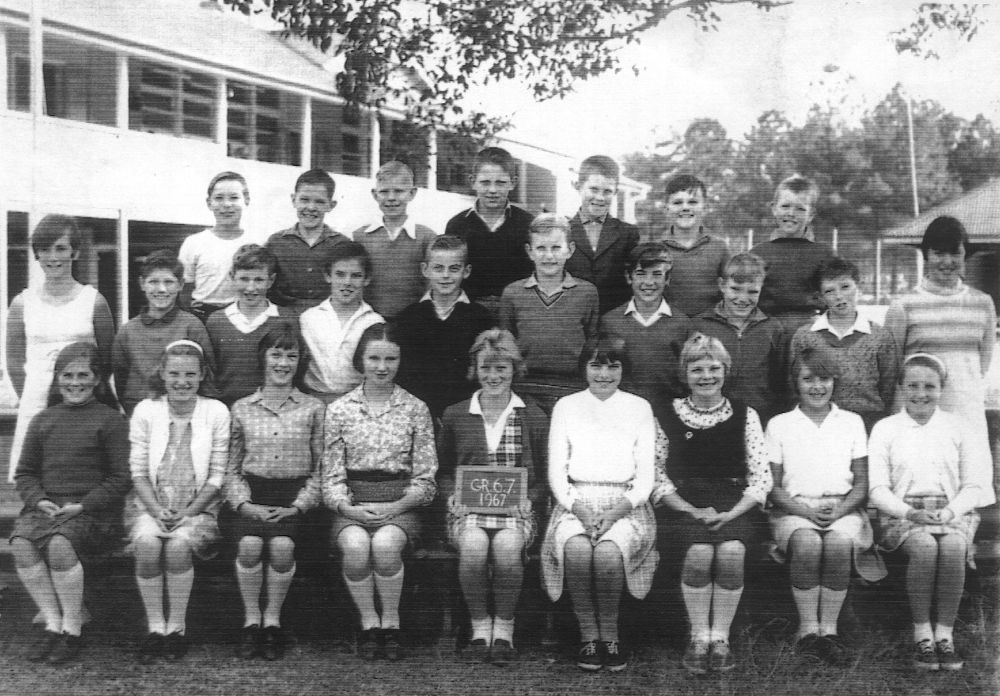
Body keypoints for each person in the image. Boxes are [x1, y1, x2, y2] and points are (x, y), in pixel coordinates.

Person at [651, 333, 772, 674]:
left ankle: (721, 638)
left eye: (714, 368)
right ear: (684, 374)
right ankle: (698, 636)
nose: (706, 376)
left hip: (735, 504)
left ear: (726, 370)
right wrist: (691, 510)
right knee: (700, 553)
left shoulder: (746, 415)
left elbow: (761, 477)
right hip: (683, 505)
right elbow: (657, 476)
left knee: (732, 552)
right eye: (697, 369)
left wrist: (732, 512)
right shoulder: (667, 414)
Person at [868, 353, 995, 672]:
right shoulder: (886, 428)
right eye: (912, 385)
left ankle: (945, 636)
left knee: (952, 547)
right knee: (925, 547)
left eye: (930, 386)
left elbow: (975, 485)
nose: (921, 393)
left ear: (942, 388)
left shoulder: (958, 427)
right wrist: (910, 513)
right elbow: (878, 489)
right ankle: (922, 634)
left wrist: (951, 512)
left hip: (953, 512)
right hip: (903, 513)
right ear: (900, 387)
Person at [541, 334, 658, 673]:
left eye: (613, 366)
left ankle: (611, 632)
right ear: (584, 368)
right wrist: (579, 509)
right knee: (577, 551)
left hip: (625, 504)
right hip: (576, 500)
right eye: (596, 365)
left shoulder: (639, 407)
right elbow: (556, 472)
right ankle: (588, 634)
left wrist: (615, 513)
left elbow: (645, 478)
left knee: (608, 554)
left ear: (624, 370)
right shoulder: (567, 406)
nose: (603, 374)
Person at [322, 323, 438, 661]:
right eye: (374, 358)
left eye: (390, 358)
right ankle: (368, 623)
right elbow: (330, 476)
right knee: (357, 547)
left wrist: (398, 506)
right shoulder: (340, 409)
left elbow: (426, 477)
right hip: (353, 506)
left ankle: (391, 623)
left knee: (386, 546)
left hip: (401, 506)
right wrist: (347, 508)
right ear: (361, 359)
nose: (382, 367)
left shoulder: (415, 408)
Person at [11, 342, 130, 664]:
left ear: (96, 380)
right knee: (21, 544)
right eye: (67, 375)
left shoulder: (110, 420)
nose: (74, 382)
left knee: (59, 546)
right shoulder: (42, 420)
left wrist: (84, 505)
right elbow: (25, 473)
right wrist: (40, 499)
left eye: (83, 375)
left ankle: (73, 628)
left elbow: (121, 478)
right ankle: (53, 621)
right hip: (46, 508)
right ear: (57, 379)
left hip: (92, 513)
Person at [765, 345, 885, 665]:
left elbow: (861, 483)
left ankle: (829, 630)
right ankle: (807, 629)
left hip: (843, 507)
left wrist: (842, 509)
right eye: (808, 379)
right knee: (806, 544)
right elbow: (772, 487)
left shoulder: (851, 422)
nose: (817, 386)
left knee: (836, 544)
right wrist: (803, 511)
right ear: (795, 382)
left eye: (824, 378)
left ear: (834, 381)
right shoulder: (780, 424)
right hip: (795, 507)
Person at [437, 329, 549, 664]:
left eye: (502, 368)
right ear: (475, 368)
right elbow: (442, 470)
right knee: (473, 546)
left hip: (517, 511)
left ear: (515, 369)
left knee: (506, 546)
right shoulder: (457, 414)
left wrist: (531, 498)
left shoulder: (533, 415)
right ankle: (479, 627)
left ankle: (504, 628)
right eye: (486, 367)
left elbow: (545, 476)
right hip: (468, 510)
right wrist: (451, 496)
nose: (493, 376)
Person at [127, 340, 229, 663]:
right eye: (174, 373)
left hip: (199, 506)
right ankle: (156, 627)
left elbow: (216, 476)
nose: (181, 381)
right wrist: (156, 510)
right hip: (151, 503)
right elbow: (138, 471)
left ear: (202, 375)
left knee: (176, 547)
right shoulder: (147, 410)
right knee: (147, 544)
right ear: (162, 373)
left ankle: (177, 627)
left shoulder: (216, 411)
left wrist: (188, 513)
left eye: (189, 374)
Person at [226, 326, 324, 661]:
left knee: (282, 547)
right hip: (253, 494)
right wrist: (243, 504)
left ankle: (273, 622)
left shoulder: (312, 408)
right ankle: (251, 621)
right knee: (250, 545)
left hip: (294, 498)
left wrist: (299, 507)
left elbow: (321, 468)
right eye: (276, 354)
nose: (283, 363)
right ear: (263, 358)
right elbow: (231, 467)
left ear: (300, 362)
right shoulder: (241, 408)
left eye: (291, 356)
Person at [883, 216, 996, 495]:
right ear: (926, 256)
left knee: (965, 505)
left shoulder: (983, 303)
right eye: (938, 253)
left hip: (967, 418)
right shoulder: (903, 306)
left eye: (954, 252)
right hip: (918, 419)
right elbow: (892, 369)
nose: (947, 261)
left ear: (964, 255)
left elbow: (981, 365)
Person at [6, 214, 115, 482]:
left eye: (61, 248)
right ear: (36, 255)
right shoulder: (22, 303)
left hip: (82, 398)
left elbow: (108, 359)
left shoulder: (94, 301)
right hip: (37, 402)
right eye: (44, 249)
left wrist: (83, 392)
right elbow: (13, 361)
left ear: (75, 252)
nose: (53, 257)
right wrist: (35, 395)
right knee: (38, 479)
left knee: (81, 476)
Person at [499, 214, 600, 413]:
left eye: (556, 248)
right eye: (541, 248)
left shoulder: (587, 293)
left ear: (569, 250)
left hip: (573, 390)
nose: (549, 256)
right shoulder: (512, 293)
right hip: (525, 391)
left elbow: (593, 343)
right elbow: (506, 347)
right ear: (530, 252)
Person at [790, 257, 898, 432]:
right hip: (819, 423)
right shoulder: (805, 337)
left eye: (845, 287)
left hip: (868, 424)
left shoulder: (880, 336)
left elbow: (888, 386)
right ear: (821, 296)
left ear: (858, 287)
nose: (839, 296)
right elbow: (794, 384)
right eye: (829, 291)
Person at [395, 235, 494, 420]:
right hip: (417, 416)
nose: (446, 275)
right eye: (438, 268)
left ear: (466, 271)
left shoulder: (481, 318)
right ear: (425, 270)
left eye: (454, 268)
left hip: (465, 416)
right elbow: (402, 375)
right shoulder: (408, 318)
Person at [112, 249, 214, 416]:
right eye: (153, 282)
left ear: (180, 284)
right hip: (140, 413)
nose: (161, 289)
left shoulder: (192, 326)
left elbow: (207, 375)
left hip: (184, 412)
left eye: (168, 282)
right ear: (142, 284)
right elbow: (121, 379)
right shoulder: (127, 331)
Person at [692, 253, 787, 424]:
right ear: (722, 285)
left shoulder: (772, 329)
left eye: (752, 292)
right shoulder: (700, 326)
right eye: (735, 289)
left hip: (760, 420)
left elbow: (781, 383)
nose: (743, 299)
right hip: (710, 420)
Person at [599, 242, 693, 413]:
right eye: (641, 274)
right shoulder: (609, 322)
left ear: (668, 279)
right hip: (621, 413)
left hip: (669, 415)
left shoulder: (683, 324)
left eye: (657, 274)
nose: (648, 282)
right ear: (629, 277)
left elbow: (688, 377)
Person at [444, 146, 535, 316]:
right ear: (473, 181)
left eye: (500, 183)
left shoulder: (528, 223)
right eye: (485, 182)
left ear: (513, 183)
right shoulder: (457, 225)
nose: (492, 190)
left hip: (517, 310)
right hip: (468, 310)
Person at [206, 244, 297, 406]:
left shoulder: (286, 319)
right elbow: (210, 373)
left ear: (271, 281)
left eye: (259, 280)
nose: (251, 288)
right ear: (232, 277)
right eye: (244, 279)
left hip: (273, 409)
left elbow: (296, 367)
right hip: (227, 409)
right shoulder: (217, 321)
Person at [299, 242, 384, 404]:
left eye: (356, 275)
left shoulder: (374, 322)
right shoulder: (309, 319)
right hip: (314, 400)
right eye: (340, 274)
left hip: (358, 403)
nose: (347, 282)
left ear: (367, 279)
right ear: (328, 276)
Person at [750, 175, 835, 335]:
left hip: (810, 329)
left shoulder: (824, 254)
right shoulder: (758, 253)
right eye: (785, 206)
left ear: (811, 215)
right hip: (767, 329)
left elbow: (835, 296)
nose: (791, 213)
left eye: (800, 209)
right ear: (774, 208)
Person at [353, 160, 438, 320]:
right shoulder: (360, 237)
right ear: (374, 194)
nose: (391, 198)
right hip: (369, 321)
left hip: (413, 322)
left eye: (398, 191)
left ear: (412, 193)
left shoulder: (427, 237)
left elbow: (431, 286)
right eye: (384, 192)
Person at [266, 168, 351, 314]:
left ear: (331, 205)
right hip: (284, 320)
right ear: (294, 200)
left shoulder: (342, 245)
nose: (311, 208)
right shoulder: (276, 243)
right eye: (304, 199)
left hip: (327, 320)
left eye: (319, 202)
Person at [563, 155, 640, 315]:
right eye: (594, 189)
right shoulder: (562, 231)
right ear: (578, 186)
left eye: (607, 191)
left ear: (615, 192)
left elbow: (635, 281)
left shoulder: (627, 233)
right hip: (573, 320)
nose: (600, 197)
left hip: (615, 321)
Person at [179, 171, 251, 322]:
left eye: (234, 198)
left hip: (243, 315)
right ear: (209, 203)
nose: (226, 205)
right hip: (203, 315)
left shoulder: (256, 242)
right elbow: (184, 290)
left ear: (246, 200)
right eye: (219, 198)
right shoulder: (193, 243)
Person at [656, 174, 730, 317]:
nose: (685, 207)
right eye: (677, 203)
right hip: (668, 329)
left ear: (705, 207)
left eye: (692, 202)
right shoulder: (655, 249)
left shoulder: (719, 248)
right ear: (666, 208)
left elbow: (731, 291)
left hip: (710, 328)